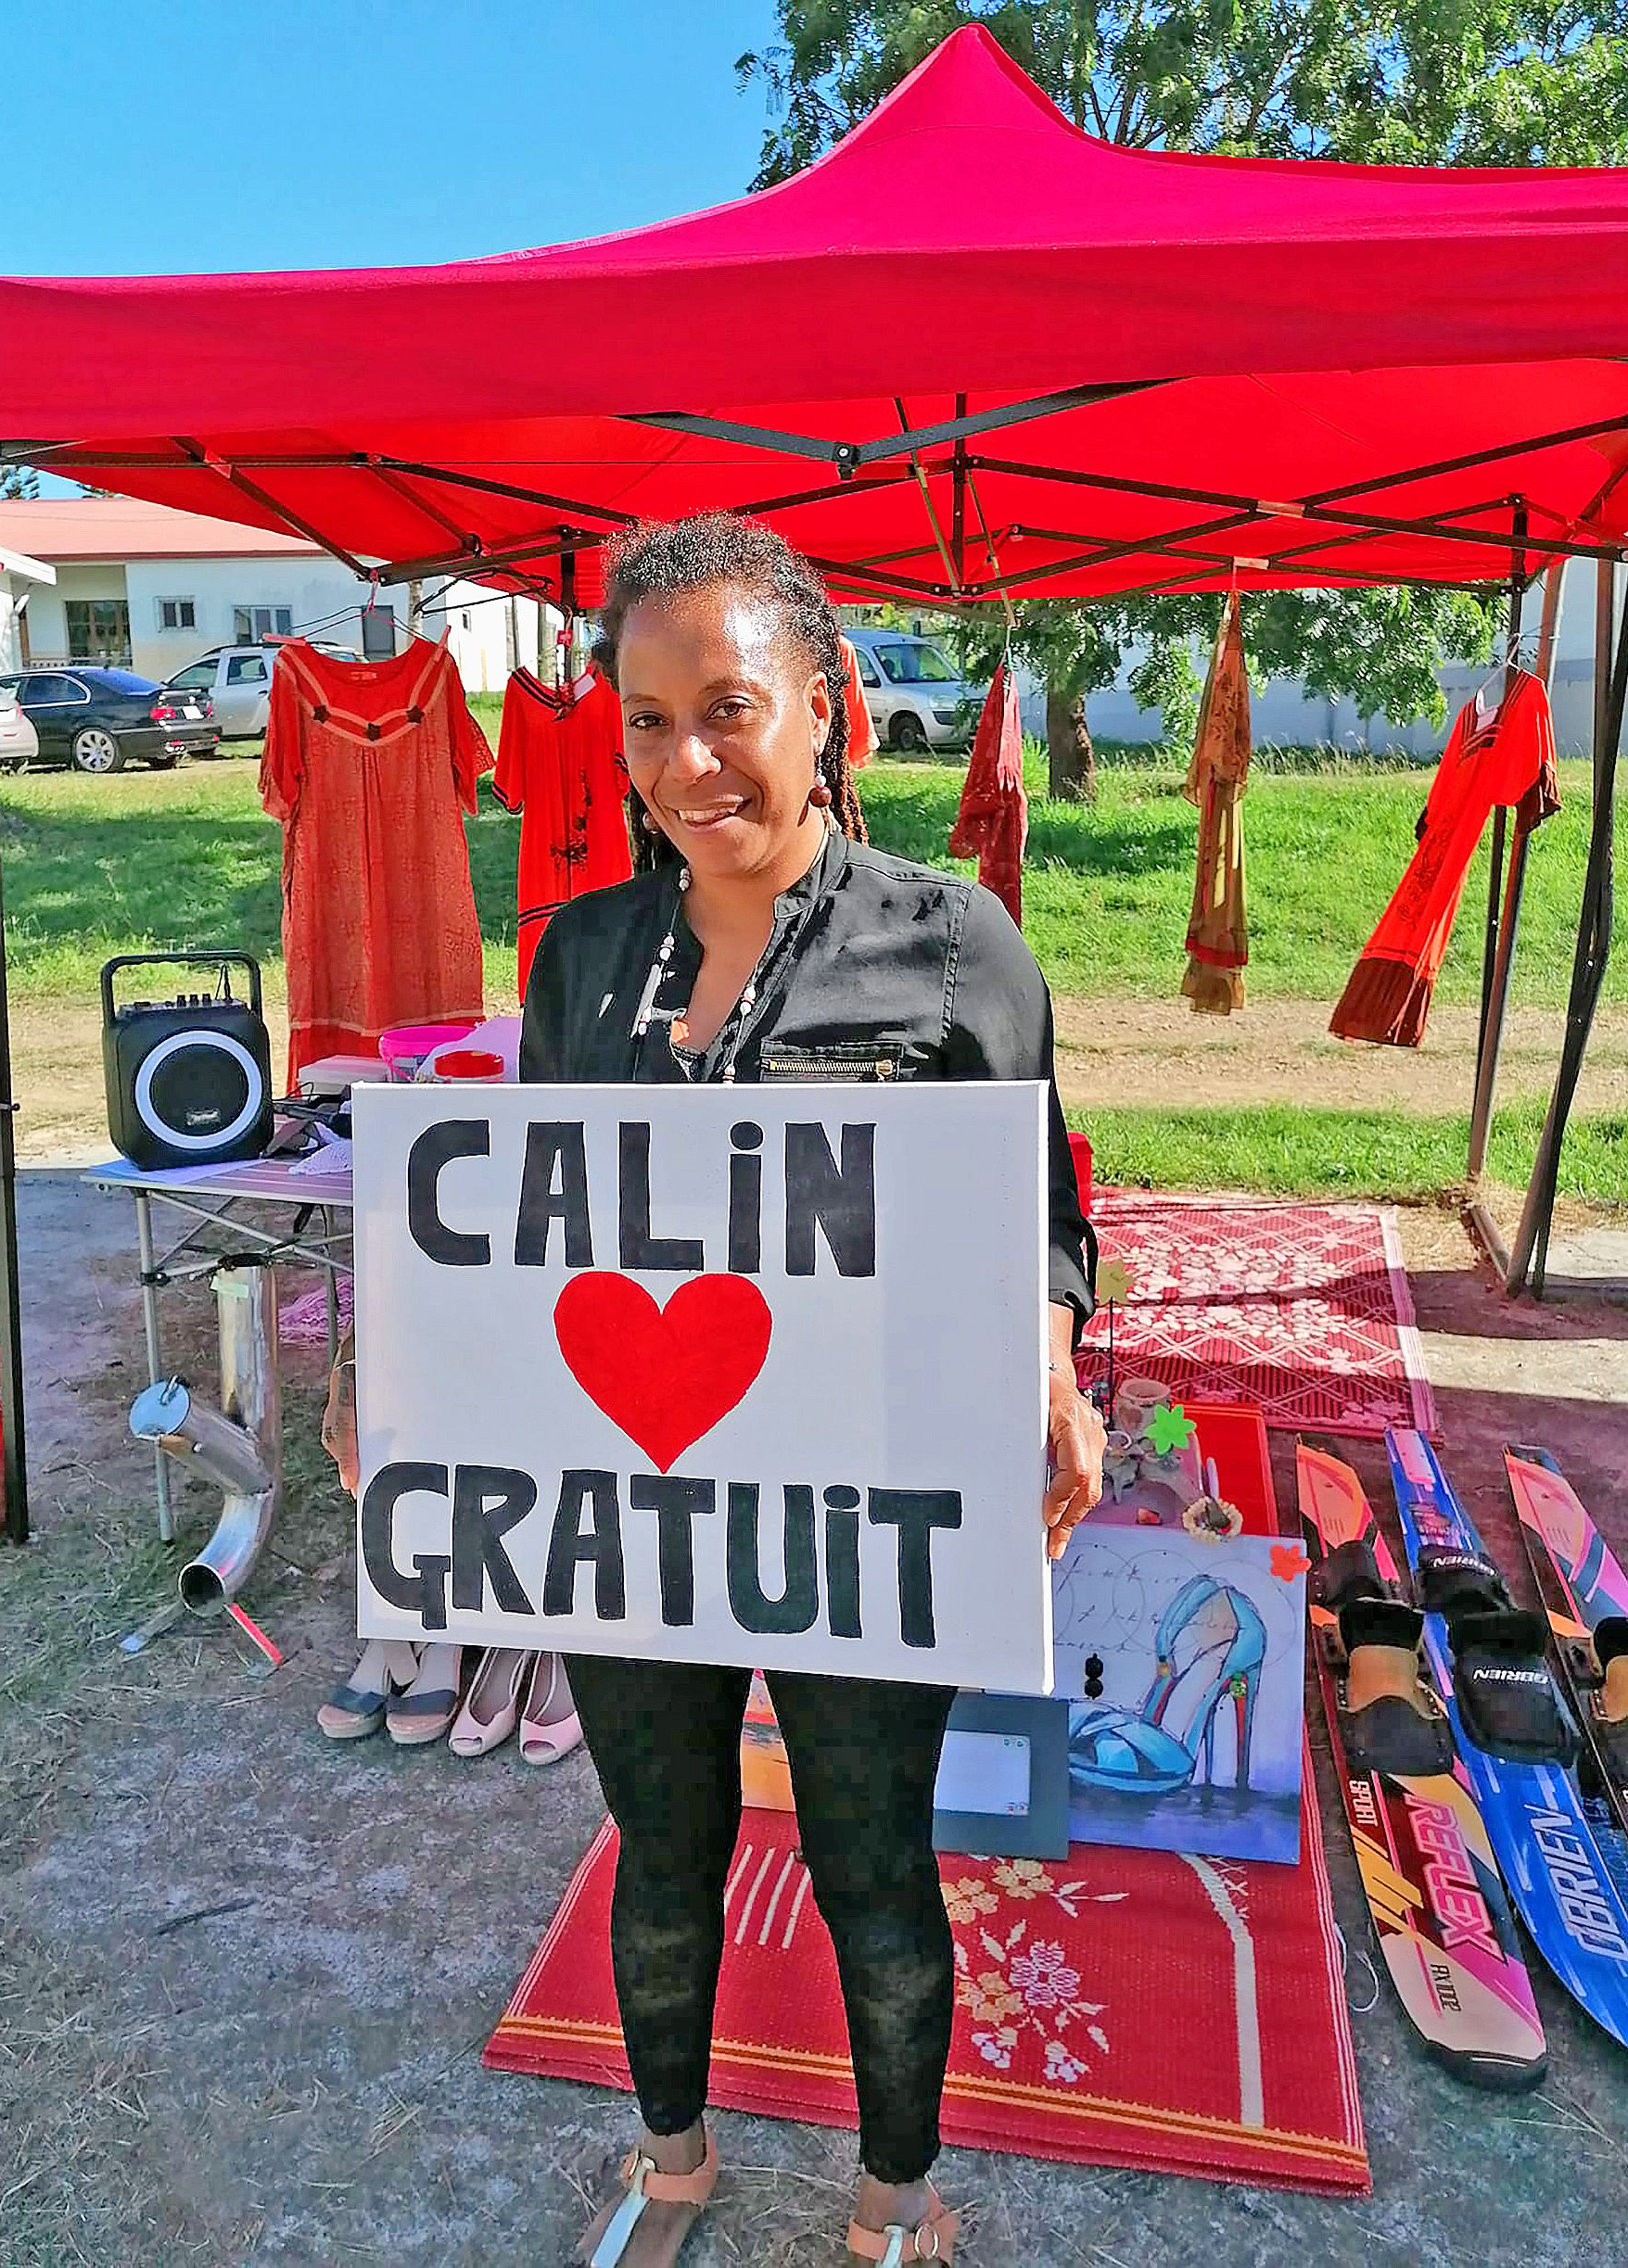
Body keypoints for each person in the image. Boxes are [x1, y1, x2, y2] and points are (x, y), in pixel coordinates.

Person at [327, 513, 1102, 2266]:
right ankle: (670, 2163)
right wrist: (399, 1373)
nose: (688, 763)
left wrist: (1050, 1349)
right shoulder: (581, 958)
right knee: (655, 1851)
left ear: (826, 706)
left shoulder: (955, 946)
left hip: (861, 1499)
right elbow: (521, 1228)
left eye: (730, 710)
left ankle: (897, 2197)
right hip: (635, 1501)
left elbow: (1038, 1198)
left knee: (872, 1866)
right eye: (648, 725)